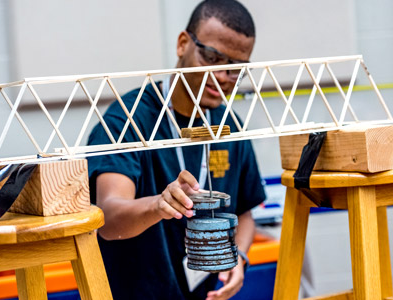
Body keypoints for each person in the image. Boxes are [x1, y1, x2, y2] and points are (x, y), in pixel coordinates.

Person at [87, 1, 266, 299]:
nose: (223, 76)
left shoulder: (229, 123)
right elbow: (108, 216)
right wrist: (159, 205)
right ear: (183, 44)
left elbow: (245, 212)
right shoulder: (127, 120)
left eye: (235, 70)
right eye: (212, 58)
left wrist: (239, 257)